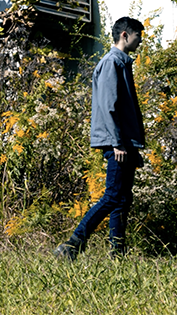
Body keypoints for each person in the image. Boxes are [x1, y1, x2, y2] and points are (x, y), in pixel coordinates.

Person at [54, 17, 146, 261]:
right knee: (112, 197)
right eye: (138, 35)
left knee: (123, 199)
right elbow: (108, 105)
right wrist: (117, 142)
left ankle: (117, 254)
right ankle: (72, 245)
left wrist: (132, 145)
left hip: (124, 143)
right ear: (125, 35)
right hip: (117, 143)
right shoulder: (112, 63)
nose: (140, 40)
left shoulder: (122, 63)